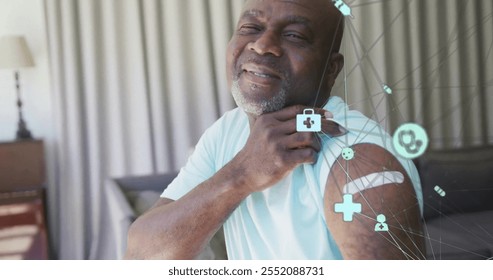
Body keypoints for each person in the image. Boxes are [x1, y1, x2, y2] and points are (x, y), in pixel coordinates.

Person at [125, 0, 425, 260]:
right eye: (250, 28)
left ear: (331, 69)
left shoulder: (362, 161)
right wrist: (241, 174)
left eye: (294, 35)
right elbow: (140, 256)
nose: (262, 44)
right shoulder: (226, 131)